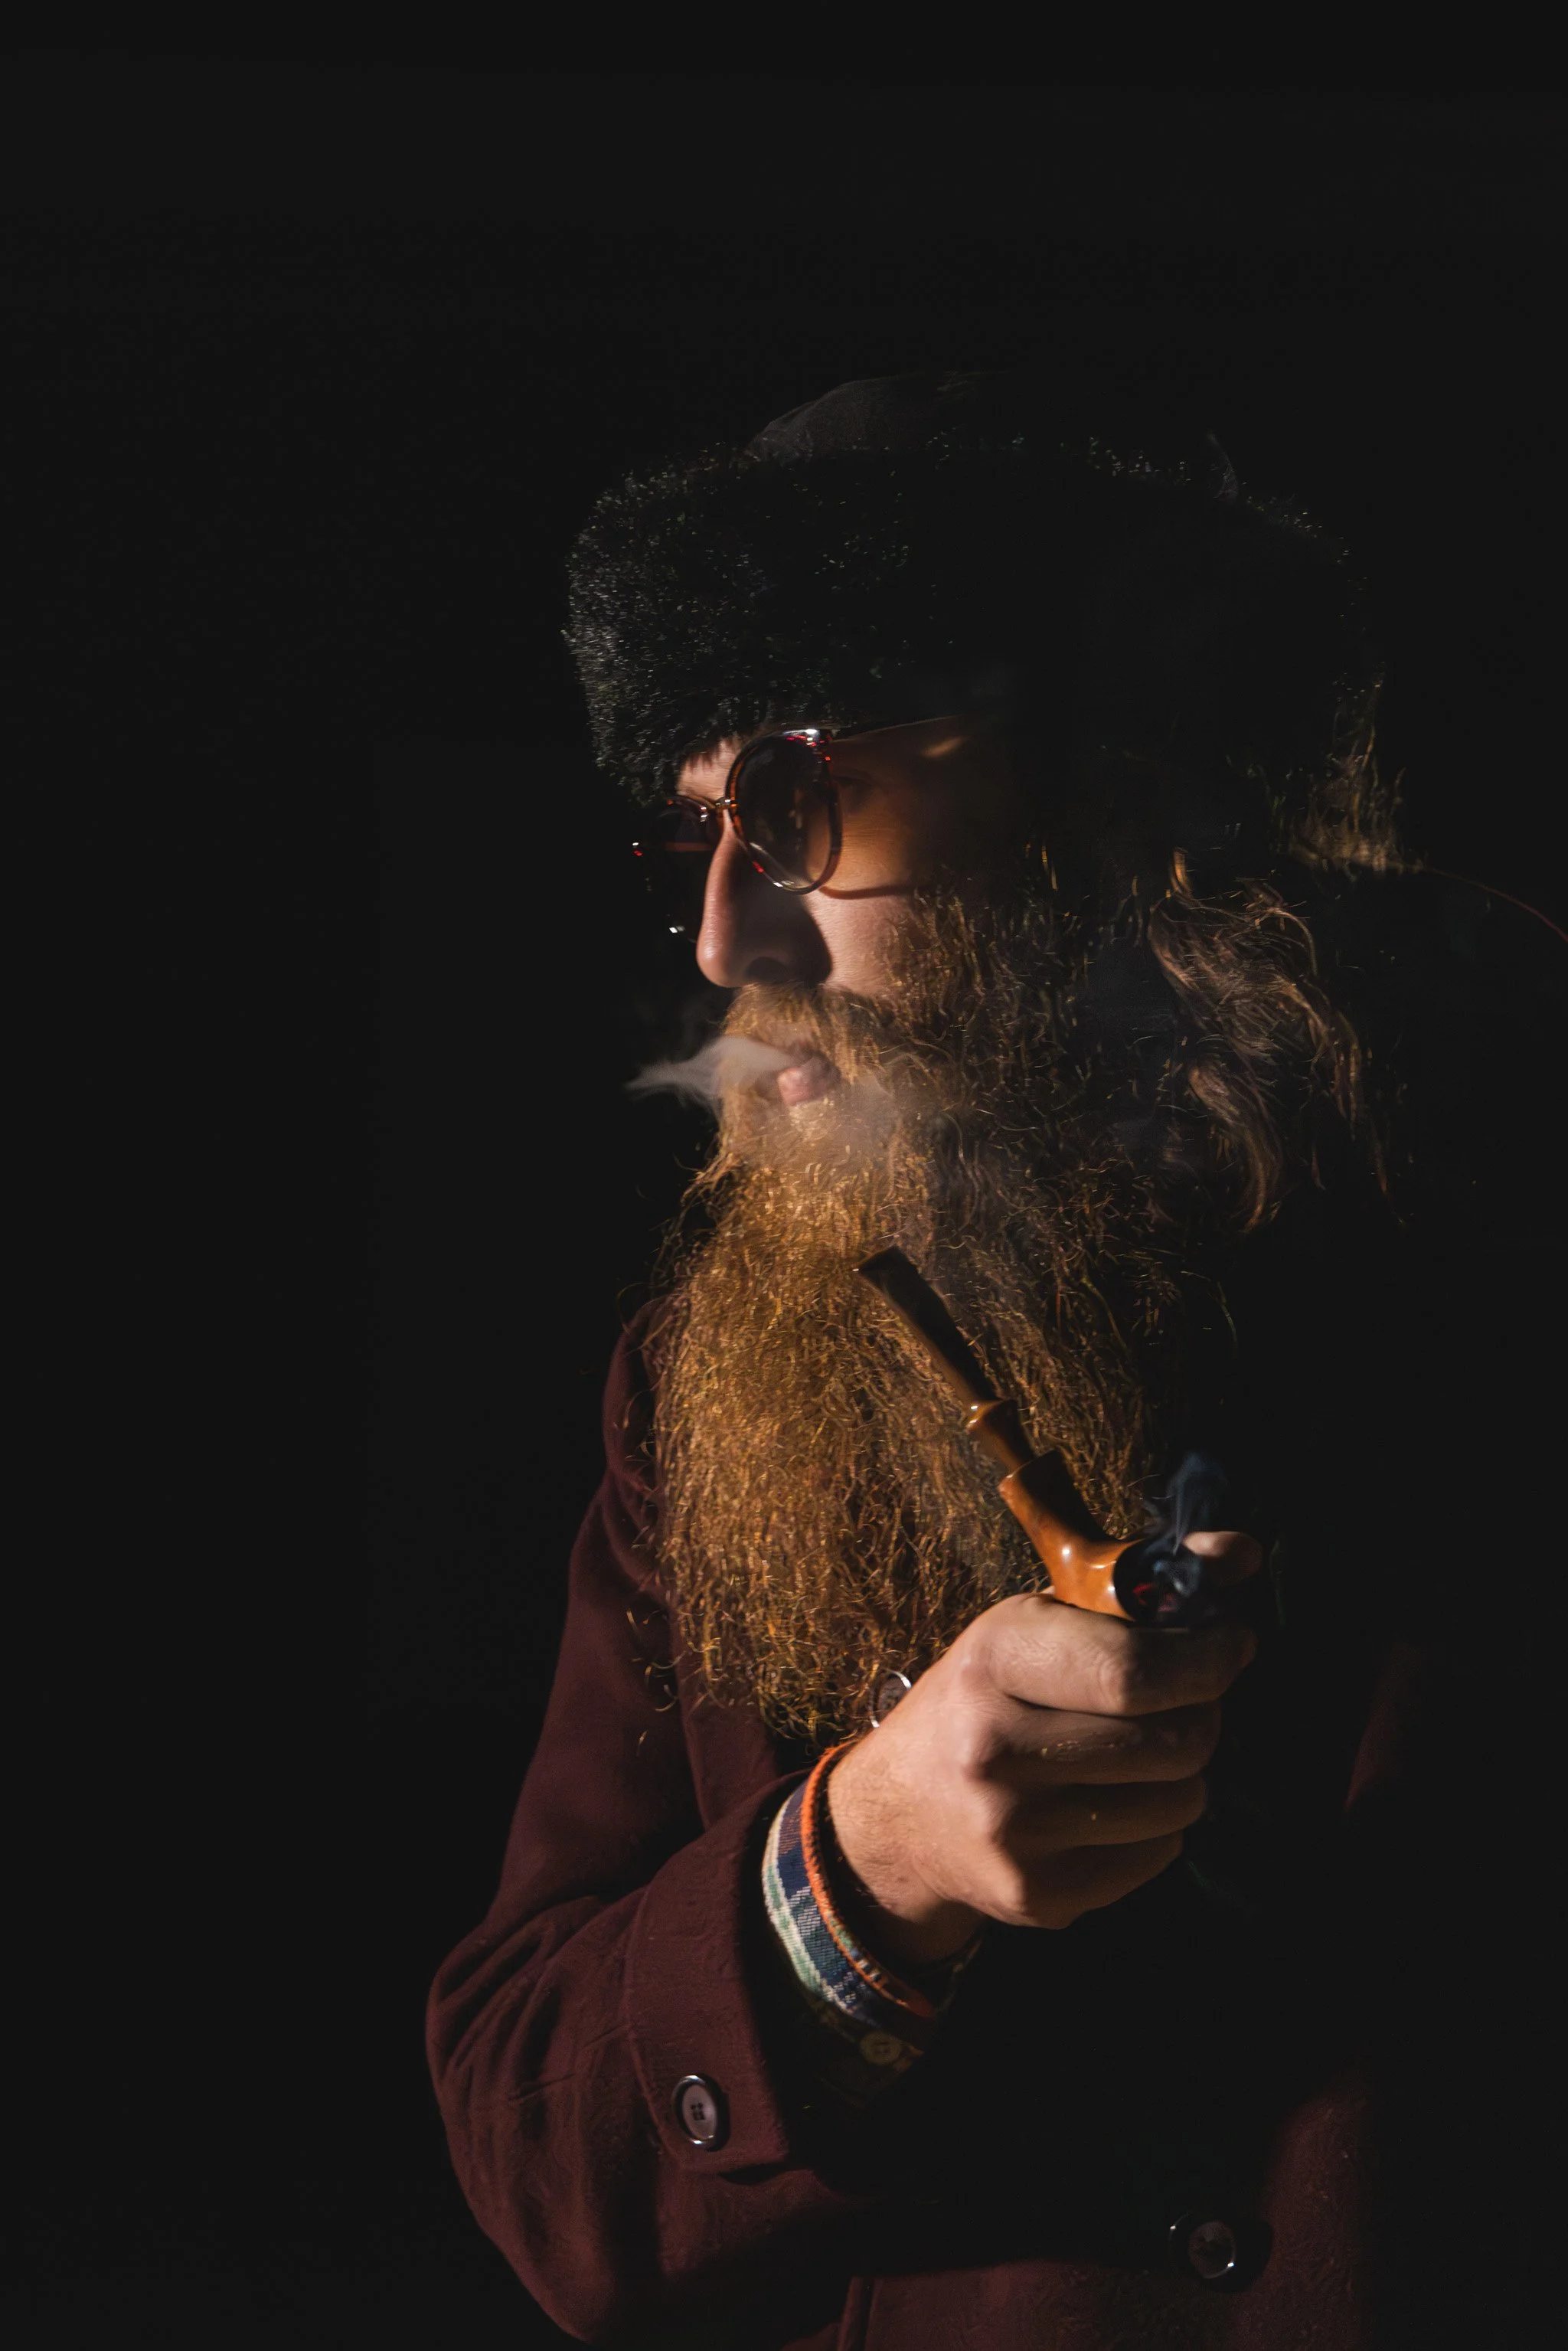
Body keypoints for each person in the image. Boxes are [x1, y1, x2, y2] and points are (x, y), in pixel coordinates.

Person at [426, 371, 1562, 2346]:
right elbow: (544, 2154)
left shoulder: (1508, 1234)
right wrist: (862, 1865)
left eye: (791, 808)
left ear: (1118, 800)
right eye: (695, 834)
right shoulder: (712, 1388)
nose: (721, 942)